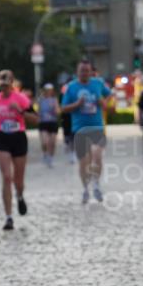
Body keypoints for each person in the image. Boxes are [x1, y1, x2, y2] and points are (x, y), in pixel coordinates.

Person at [60, 59, 112, 203]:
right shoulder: (71, 87)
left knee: (97, 156)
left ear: (91, 71)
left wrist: (104, 102)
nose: (84, 73)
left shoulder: (98, 83)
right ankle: (85, 188)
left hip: (97, 127)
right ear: (77, 72)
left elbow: (109, 94)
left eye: (87, 70)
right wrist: (77, 104)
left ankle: (96, 184)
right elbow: (63, 108)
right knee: (84, 162)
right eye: (82, 70)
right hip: (79, 129)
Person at [0, 69, 33, 230]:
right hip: (2, 138)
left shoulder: (21, 98)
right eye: (1, 84)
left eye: (7, 84)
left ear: (12, 83)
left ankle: (19, 195)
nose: (4, 87)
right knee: (7, 177)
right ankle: (8, 217)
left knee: (18, 181)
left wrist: (19, 110)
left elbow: (36, 118)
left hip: (19, 137)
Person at [37, 83, 60, 165]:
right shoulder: (41, 99)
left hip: (53, 122)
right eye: (47, 90)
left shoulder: (54, 99)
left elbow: (58, 111)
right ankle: (45, 154)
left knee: (53, 142)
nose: (48, 91)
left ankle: (51, 158)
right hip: (43, 123)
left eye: (50, 90)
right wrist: (38, 118)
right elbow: (38, 111)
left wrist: (56, 110)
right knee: (45, 142)